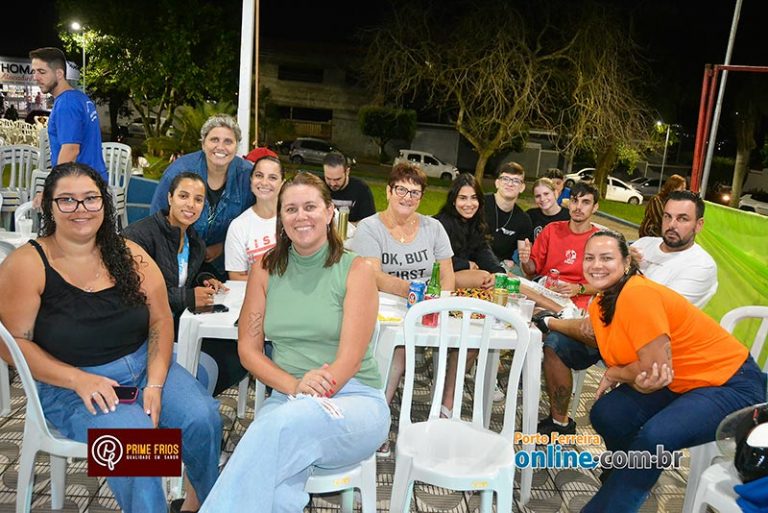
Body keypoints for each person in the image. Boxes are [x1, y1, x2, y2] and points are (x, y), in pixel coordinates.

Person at [0, 163, 221, 513]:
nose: (81, 209)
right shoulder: (28, 264)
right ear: (49, 207)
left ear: (104, 203)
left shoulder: (128, 253)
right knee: (139, 447)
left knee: (202, 418)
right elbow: (11, 344)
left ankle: (206, 504)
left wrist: (155, 384)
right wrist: (78, 379)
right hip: (69, 384)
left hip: (143, 366)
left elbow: (161, 319)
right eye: (67, 200)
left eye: (91, 198)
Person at [199, 172, 389, 512]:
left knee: (270, 434)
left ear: (329, 212)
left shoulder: (357, 270)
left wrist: (308, 394)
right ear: (281, 217)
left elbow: (348, 361)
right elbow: (248, 350)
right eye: (291, 209)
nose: (301, 216)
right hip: (288, 398)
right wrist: (295, 386)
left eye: (310, 207)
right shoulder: (265, 269)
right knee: (277, 488)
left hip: (353, 402)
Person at [579, 230, 766, 513]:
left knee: (655, 437)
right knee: (609, 413)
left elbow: (652, 370)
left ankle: (616, 497)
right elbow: (650, 373)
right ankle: (628, 476)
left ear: (627, 262)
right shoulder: (602, 303)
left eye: (606, 258)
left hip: (730, 381)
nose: (596, 265)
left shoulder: (637, 293)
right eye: (589, 258)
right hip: (680, 380)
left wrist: (615, 374)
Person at [535, 190, 718, 436]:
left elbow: (656, 316)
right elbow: (604, 282)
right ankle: (559, 422)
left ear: (699, 224)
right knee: (556, 345)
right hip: (609, 329)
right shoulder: (643, 245)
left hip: (650, 348)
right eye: (667, 216)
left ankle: (548, 321)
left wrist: (622, 277)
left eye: (682, 219)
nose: (672, 224)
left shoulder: (700, 265)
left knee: (611, 408)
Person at [350, 163, 456, 437]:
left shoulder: (434, 228)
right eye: (401, 190)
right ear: (388, 191)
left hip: (430, 306)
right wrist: (414, 291)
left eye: (415, 192)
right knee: (399, 345)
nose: (407, 197)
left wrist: (439, 302)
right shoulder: (370, 228)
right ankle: (378, 419)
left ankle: (445, 408)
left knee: (466, 340)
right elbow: (374, 276)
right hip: (386, 307)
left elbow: (447, 274)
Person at [150, 114, 255, 281]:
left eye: (228, 141)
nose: (220, 147)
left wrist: (222, 246)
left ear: (237, 146)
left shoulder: (247, 176)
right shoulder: (179, 172)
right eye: (214, 140)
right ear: (203, 143)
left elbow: (254, 222)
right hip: (176, 259)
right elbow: (157, 220)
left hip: (222, 265)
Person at [29, 48, 107, 181]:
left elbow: (70, 150)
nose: (36, 77)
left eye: (42, 72)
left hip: (79, 183)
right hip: (92, 180)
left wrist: (54, 186)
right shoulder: (79, 97)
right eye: (34, 72)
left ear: (59, 73)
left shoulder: (66, 103)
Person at [520, 181, 600, 311]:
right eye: (574, 201)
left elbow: (606, 283)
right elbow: (531, 270)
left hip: (574, 301)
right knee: (508, 279)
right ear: (569, 203)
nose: (578, 207)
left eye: (585, 202)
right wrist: (525, 260)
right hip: (544, 292)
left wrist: (579, 288)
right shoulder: (551, 230)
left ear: (595, 207)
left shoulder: (600, 240)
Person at [434, 173, 503, 289]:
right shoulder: (440, 224)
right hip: (440, 277)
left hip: (462, 273)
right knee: (483, 278)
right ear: (453, 200)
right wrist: (465, 264)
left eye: (474, 198)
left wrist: (498, 271)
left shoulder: (476, 221)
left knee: (505, 278)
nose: (469, 204)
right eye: (463, 198)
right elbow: (435, 259)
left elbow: (483, 250)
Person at [224, 155, 283, 280]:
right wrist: (276, 283)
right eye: (259, 175)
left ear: (282, 183)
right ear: (251, 179)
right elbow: (236, 276)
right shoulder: (238, 226)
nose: (264, 182)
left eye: (272, 177)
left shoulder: (294, 219)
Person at [483, 162, 533, 271]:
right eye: (505, 179)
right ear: (497, 183)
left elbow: (524, 261)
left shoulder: (523, 219)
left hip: (501, 268)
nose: (510, 184)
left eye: (516, 181)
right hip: (473, 262)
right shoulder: (479, 204)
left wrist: (525, 259)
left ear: (522, 187)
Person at [322, 152, 376, 223]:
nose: (332, 184)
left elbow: (369, 222)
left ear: (347, 172)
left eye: (337, 179)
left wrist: (347, 226)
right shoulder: (318, 187)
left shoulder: (361, 190)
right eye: (328, 178)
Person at [526, 177, 570, 241]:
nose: (542, 199)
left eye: (546, 194)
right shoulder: (530, 216)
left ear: (555, 193)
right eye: (538, 196)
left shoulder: (569, 217)